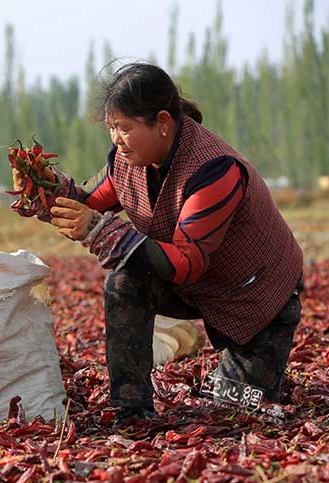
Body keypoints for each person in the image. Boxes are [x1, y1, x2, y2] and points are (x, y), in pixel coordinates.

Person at [15, 63, 303, 424]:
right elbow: (89, 203)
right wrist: (45, 187)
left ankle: (251, 368)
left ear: (163, 122)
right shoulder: (128, 160)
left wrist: (100, 231)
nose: (116, 140)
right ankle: (131, 407)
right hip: (200, 287)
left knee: (234, 410)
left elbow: (187, 263)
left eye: (124, 128)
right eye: (111, 129)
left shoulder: (214, 169)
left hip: (254, 296)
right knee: (123, 282)